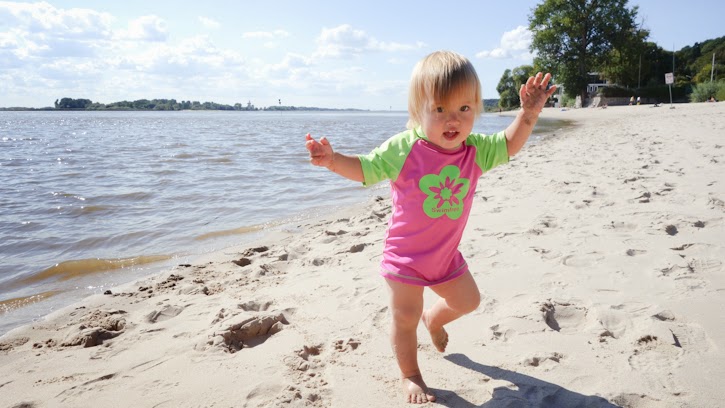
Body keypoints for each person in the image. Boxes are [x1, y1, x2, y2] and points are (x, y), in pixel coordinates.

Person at [305, 50, 556, 404]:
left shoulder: (474, 151)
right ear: (417, 111)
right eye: (439, 109)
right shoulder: (404, 149)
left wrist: (528, 114)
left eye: (464, 109)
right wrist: (333, 161)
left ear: (476, 109)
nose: (452, 120)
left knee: (469, 301)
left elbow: (509, 144)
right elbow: (366, 168)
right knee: (404, 317)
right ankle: (411, 375)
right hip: (405, 258)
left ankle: (434, 320)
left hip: (444, 257)